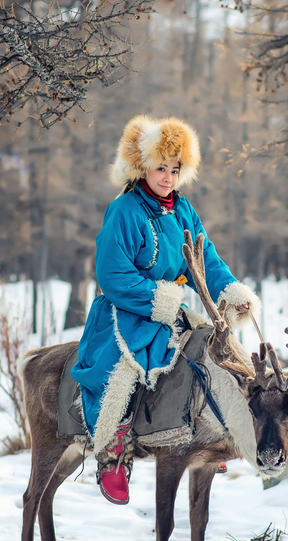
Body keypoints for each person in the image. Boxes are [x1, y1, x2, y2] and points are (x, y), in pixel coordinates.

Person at [70, 115, 261, 505]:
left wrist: (231, 292)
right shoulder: (124, 211)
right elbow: (112, 275)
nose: (168, 177)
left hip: (170, 310)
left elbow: (205, 258)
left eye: (175, 170)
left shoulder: (182, 210)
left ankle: (205, 432)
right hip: (124, 313)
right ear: (142, 167)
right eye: (161, 168)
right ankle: (114, 451)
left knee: (212, 350)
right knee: (122, 373)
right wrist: (158, 299)